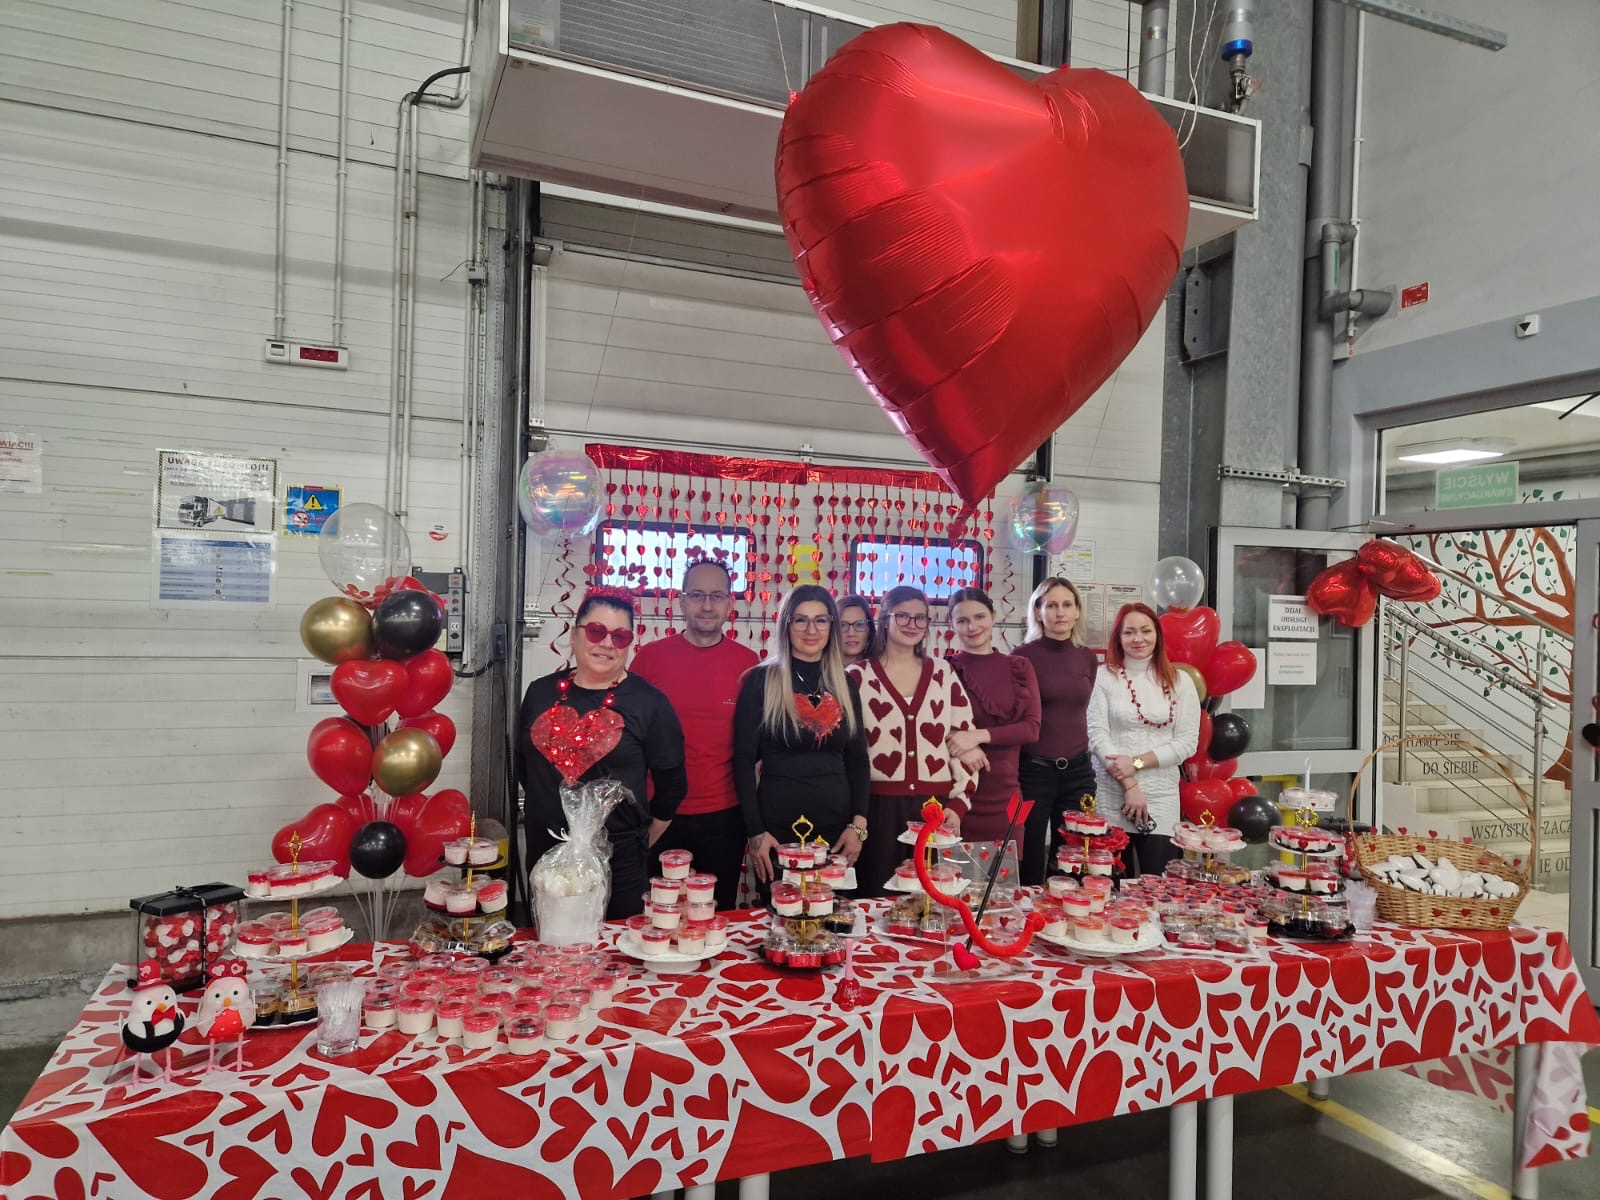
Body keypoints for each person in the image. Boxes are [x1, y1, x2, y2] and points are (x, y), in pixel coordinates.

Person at [517, 586, 686, 920]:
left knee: (615, 956)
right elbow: (526, 768)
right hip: (545, 856)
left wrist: (636, 841)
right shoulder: (539, 693)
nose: (607, 643)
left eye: (620, 637)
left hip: (617, 862)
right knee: (552, 952)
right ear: (575, 634)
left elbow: (673, 785)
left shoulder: (649, 703)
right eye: (596, 631)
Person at [629, 558, 758, 911]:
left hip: (724, 817)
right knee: (657, 916)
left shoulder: (748, 665)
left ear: (730, 604)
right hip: (658, 817)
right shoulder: (648, 659)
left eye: (717, 596)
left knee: (714, 917)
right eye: (697, 595)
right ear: (681, 601)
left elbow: (755, 747)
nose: (706, 605)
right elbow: (629, 742)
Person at [734, 586, 870, 891]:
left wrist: (858, 825)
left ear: (831, 627)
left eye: (821, 620)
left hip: (837, 831)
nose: (812, 630)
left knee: (833, 929)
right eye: (801, 620)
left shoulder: (844, 681)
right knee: (783, 928)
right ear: (786, 625)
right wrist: (755, 832)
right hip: (777, 830)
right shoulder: (762, 680)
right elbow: (743, 762)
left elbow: (859, 761)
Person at [851, 585, 977, 895]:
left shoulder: (943, 674)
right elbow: (847, 753)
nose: (912, 624)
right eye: (903, 616)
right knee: (877, 895)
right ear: (885, 619)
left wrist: (960, 802)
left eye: (920, 618)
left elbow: (964, 741)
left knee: (932, 899)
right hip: (876, 810)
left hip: (934, 808)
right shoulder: (857, 676)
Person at [1086, 601, 1202, 876]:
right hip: (1111, 793)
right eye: (1129, 632)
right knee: (1109, 886)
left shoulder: (1180, 681)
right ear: (1118, 637)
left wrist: (1136, 764)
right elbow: (1096, 735)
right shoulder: (1104, 676)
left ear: (1157, 635)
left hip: (1161, 797)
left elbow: (1186, 743)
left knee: (1156, 884)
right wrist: (1129, 784)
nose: (1138, 639)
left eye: (1145, 631)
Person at [1013, 577, 1100, 886]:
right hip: (1033, 771)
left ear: (1077, 612)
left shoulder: (1087, 658)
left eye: (1067, 605)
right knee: (1030, 852)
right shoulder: (1021, 657)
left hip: (1077, 772)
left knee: (1074, 856)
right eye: (1051, 605)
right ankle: (1029, 924)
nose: (1060, 612)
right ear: (1038, 612)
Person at [944, 587, 1041, 844]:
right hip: (959, 796)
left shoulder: (1018, 666)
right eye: (962, 620)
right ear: (951, 624)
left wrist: (976, 736)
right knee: (951, 881)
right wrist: (958, 741)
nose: (972, 627)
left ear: (993, 616)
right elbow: (933, 727)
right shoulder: (946, 670)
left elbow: (1031, 728)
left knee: (1006, 881)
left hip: (1007, 797)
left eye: (979, 617)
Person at [835, 594, 876, 667]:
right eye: (843, 625)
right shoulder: (819, 672)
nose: (851, 633)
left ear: (869, 631)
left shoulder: (879, 671)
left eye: (859, 625)